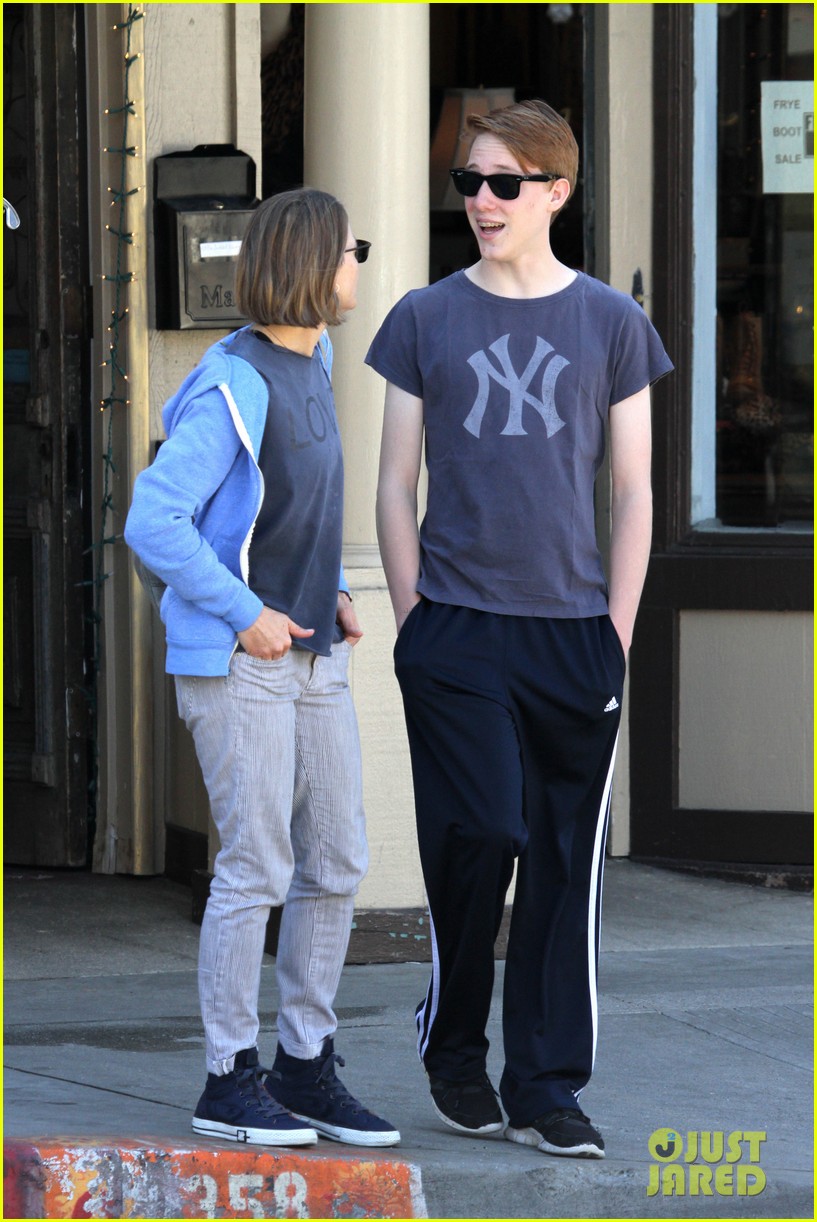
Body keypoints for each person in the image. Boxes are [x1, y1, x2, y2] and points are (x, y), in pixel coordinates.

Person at [366, 100, 673, 1159]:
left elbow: (631, 492)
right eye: (468, 183)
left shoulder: (610, 325)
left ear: (556, 189)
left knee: (559, 862)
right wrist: (415, 620)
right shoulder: (422, 316)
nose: (481, 202)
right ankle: (452, 1039)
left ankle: (545, 1084)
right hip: (455, 628)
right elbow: (395, 483)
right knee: (485, 831)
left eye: (503, 182)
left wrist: (615, 635)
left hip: (573, 634)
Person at [125, 188, 399, 1149]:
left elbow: (288, 508)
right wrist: (246, 615)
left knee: (337, 857)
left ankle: (304, 1066)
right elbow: (152, 519)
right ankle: (226, 1076)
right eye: (351, 249)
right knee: (256, 864)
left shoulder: (314, 358)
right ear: (312, 263)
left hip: (313, 654)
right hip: (241, 664)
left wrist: (323, 590)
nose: (359, 264)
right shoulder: (232, 382)